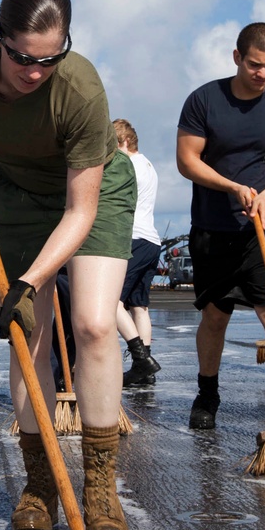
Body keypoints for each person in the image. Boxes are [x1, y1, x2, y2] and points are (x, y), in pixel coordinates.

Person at [0, 0, 136, 530]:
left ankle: (100, 488)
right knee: (30, 335)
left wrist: (31, 278)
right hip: (16, 194)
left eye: (50, 58)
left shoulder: (81, 89)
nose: (35, 72)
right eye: (22, 58)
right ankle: (41, 482)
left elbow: (80, 212)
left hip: (88, 197)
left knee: (93, 325)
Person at [176, 23, 265, 431]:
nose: (263, 74)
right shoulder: (204, 100)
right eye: (255, 65)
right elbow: (187, 161)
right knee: (215, 316)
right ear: (237, 57)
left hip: (263, 229)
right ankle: (207, 394)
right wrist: (232, 187)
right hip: (213, 228)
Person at [112, 119, 163, 388]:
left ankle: (141, 359)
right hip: (152, 241)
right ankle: (145, 370)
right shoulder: (149, 165)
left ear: (125, 141)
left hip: (131, 238)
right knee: (139, 307)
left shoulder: (127, 165)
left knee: (111, 303)